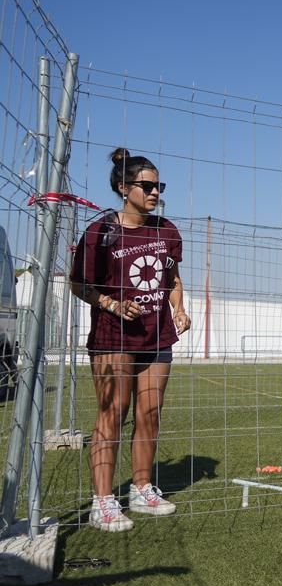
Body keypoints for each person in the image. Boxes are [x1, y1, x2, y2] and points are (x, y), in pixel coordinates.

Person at [70, 148, 191, 532]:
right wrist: (110, 303)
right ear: (124, 188)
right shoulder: (100, 231)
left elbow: (171, 279)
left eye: (159, 186)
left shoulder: (167, 230)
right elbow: (79, 284)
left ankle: (142, 489)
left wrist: (179, 308)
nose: (155, 192)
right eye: (147, 185)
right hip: (112, 337)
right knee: (113, 413)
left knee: (149, 415)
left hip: (157, 337)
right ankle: (102, 502)